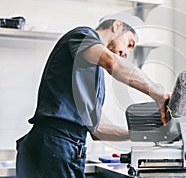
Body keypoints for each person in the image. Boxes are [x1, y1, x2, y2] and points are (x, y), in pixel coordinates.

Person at [16, 12, 170, 178]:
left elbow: (97, 131)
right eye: (130, 43)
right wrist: (159, 94)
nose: (126, 53)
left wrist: (147, 132)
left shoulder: (94, 73)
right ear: (117, 25)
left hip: (62, 148)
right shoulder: (82, 35)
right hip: (55, 145)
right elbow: (112, 63)